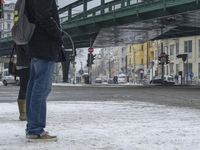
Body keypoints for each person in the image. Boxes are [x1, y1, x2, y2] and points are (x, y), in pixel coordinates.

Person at [25, 0, 63, 141]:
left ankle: (32, 127)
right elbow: (44, 16)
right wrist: (58, 34)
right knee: (41, 89)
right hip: (45, 46)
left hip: (36, 45)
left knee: (34, 87)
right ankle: (35, 130)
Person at [15, 44, 30, 121]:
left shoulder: (17, 37)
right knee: (25, 88)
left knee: (24, 87)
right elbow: (29, 52)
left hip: (22, 64)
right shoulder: (23, 39)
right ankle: (23, 113)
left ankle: (23, 113)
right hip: (26, 65)